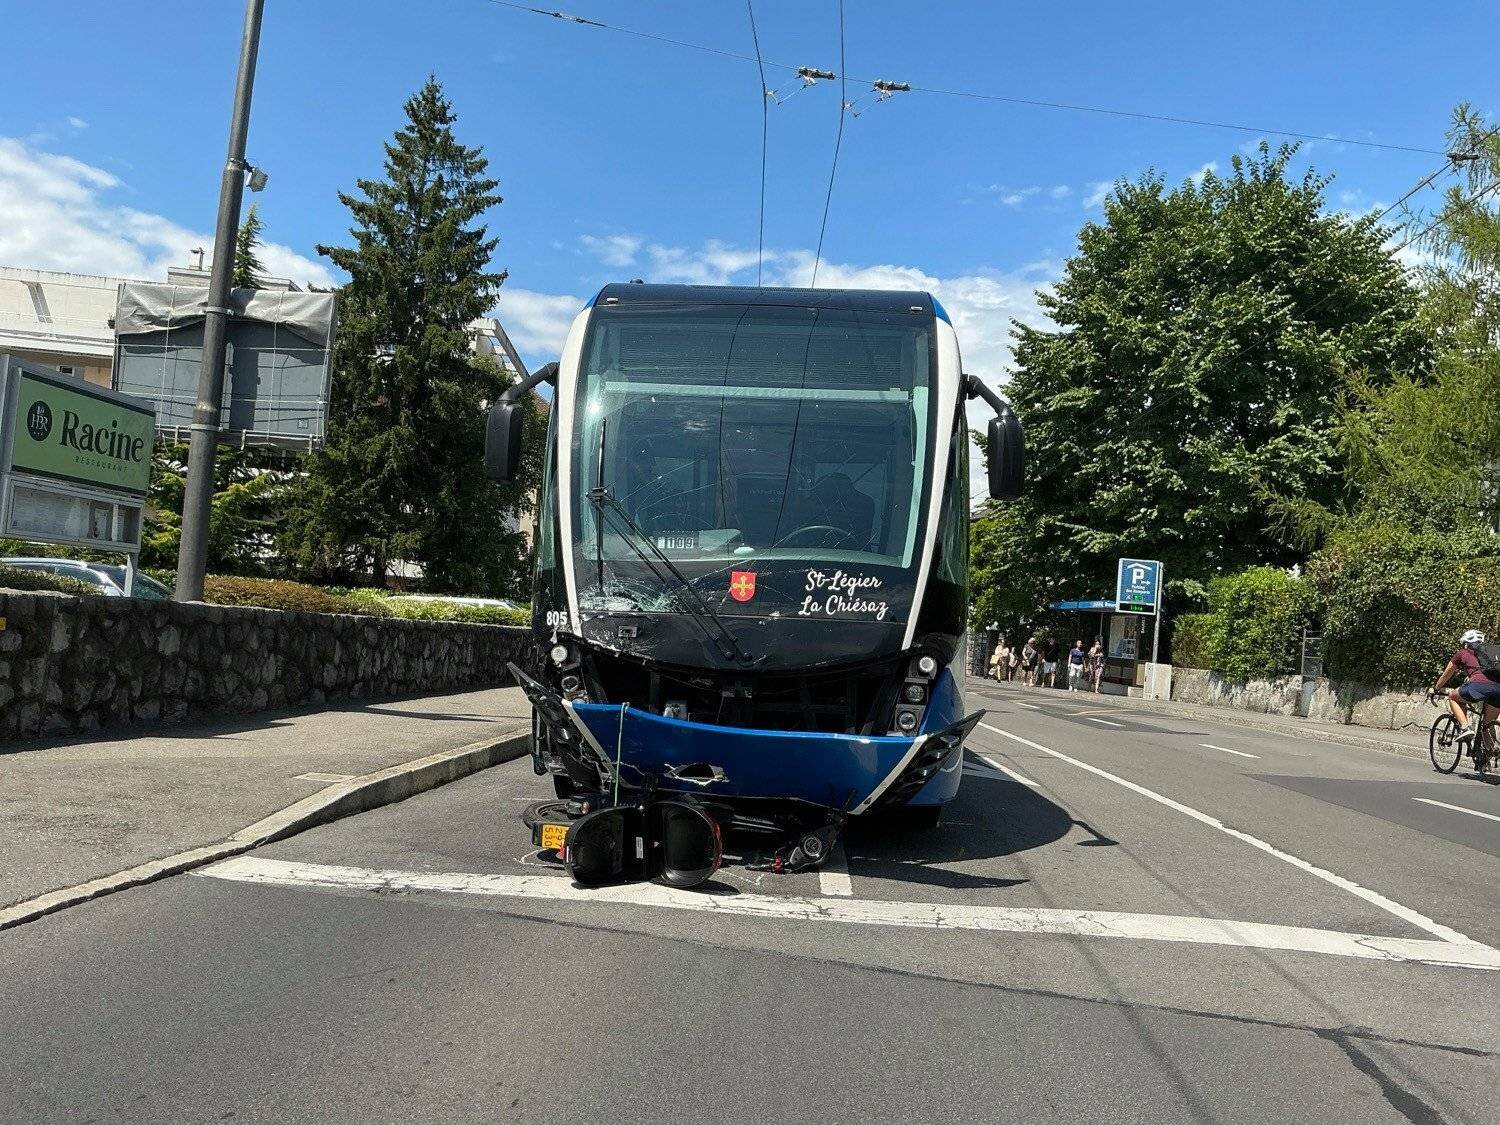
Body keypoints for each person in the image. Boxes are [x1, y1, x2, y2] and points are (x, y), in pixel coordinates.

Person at [1431, 629, 1500, 752]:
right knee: (1488, 724)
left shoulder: (1463, 653)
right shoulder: (1493, 653)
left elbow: (1447, 674)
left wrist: (1436, 688)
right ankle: (1491, 753)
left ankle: (1465, 728)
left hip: (1478, 686)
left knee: (1453, 696)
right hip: (1498, 689)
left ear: (1466, 643)